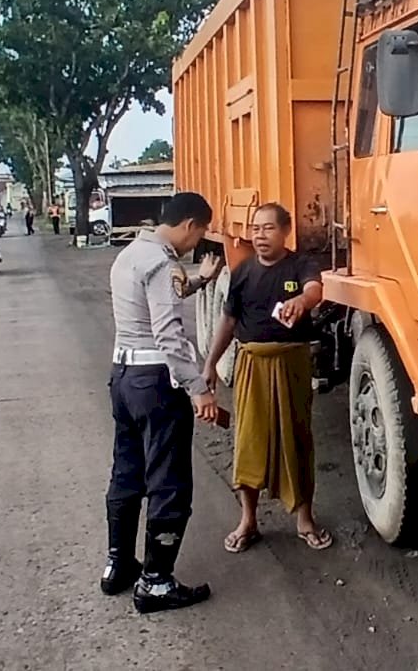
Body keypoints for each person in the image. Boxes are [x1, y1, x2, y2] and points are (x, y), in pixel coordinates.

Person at [104, 191, 224, 614]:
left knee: (127, 472)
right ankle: (155, 582)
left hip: (123, 377)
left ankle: (119, 564)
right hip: (155, 383)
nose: (198, 242)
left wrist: (199, 281)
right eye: (201, 232)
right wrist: (197, 386)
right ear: (190, 224)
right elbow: (168, 333)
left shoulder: (130, 255)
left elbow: (154, 299)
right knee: (168, 481)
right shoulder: (162, 262)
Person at [202, 202, 331, 553]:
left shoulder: (301, 264)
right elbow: (228, 321)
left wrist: (302, 301)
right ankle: (248, 520)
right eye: (255, 229)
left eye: (268, 228)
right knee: (249, 441)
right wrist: (210, 364)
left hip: (292, 364)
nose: (260, 235)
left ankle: (305, 519)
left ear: (285, 231)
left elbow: (314, 290)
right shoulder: (243, 271)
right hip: (252, 365)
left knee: (297, 439)